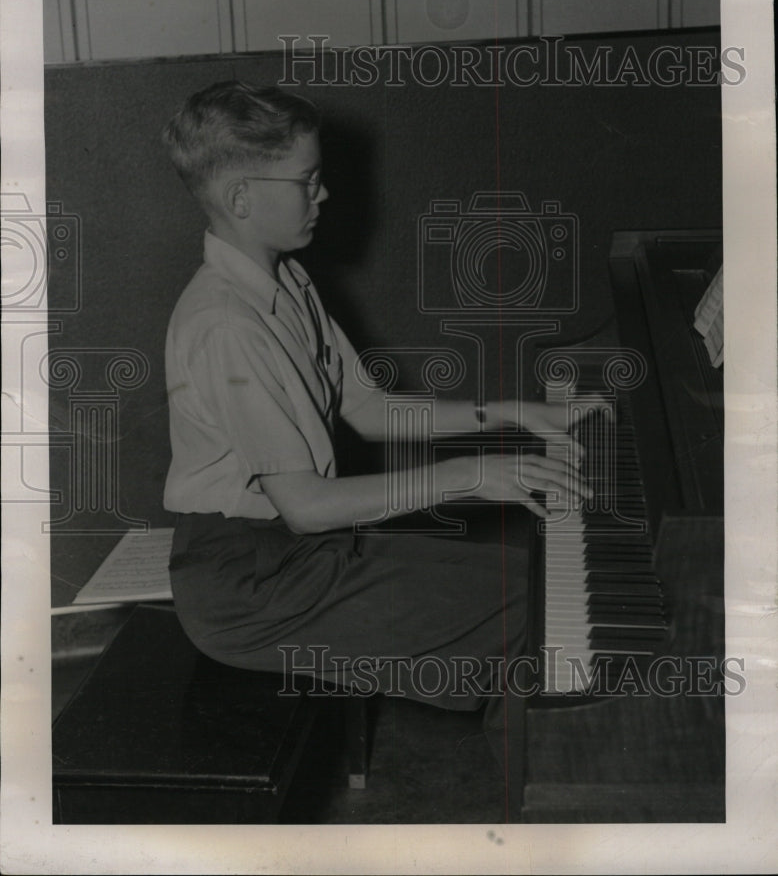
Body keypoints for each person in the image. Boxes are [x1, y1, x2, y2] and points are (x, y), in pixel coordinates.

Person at [161, 80, 592, 818]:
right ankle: (549, 808)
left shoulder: (285, 281)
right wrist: (467, 475)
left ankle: (540, 792)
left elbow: (370, 409)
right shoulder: (225, 323)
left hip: (294, 559)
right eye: (306, 181)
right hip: (252, 586)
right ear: (240, 199)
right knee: (535, 612)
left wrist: (508, 414)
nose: (323, 194)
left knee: (530, 583)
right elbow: (305, 507)